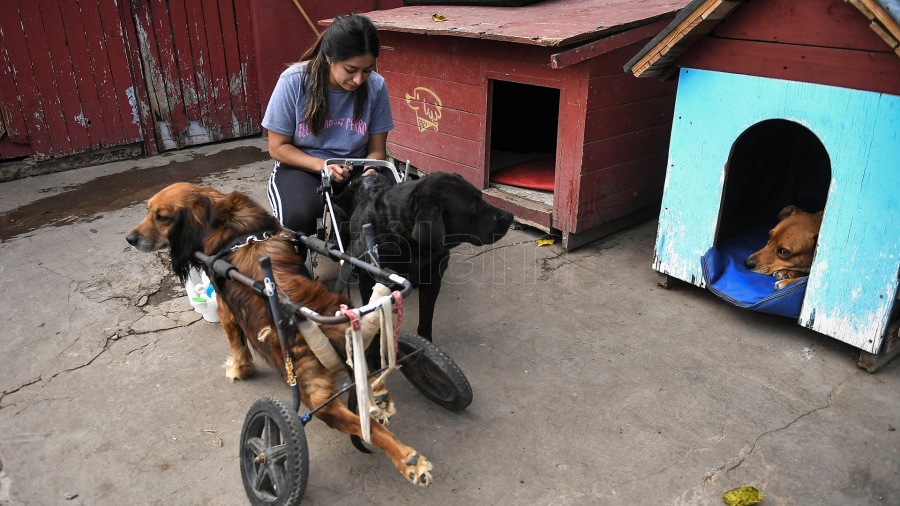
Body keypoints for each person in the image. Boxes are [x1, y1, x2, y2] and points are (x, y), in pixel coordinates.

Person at [262, 13, 393, 236]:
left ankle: (353, 243)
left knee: (388, 212)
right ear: (330, 58)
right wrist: (323, 165)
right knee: (299, 217)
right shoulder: (293, 82)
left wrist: (370, 172)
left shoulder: (376, 86)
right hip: (304, 166)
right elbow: (277, 147)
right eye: (351, 70)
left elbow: (377, 149)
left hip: (356, 167)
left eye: (367, 70)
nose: (359, 80)